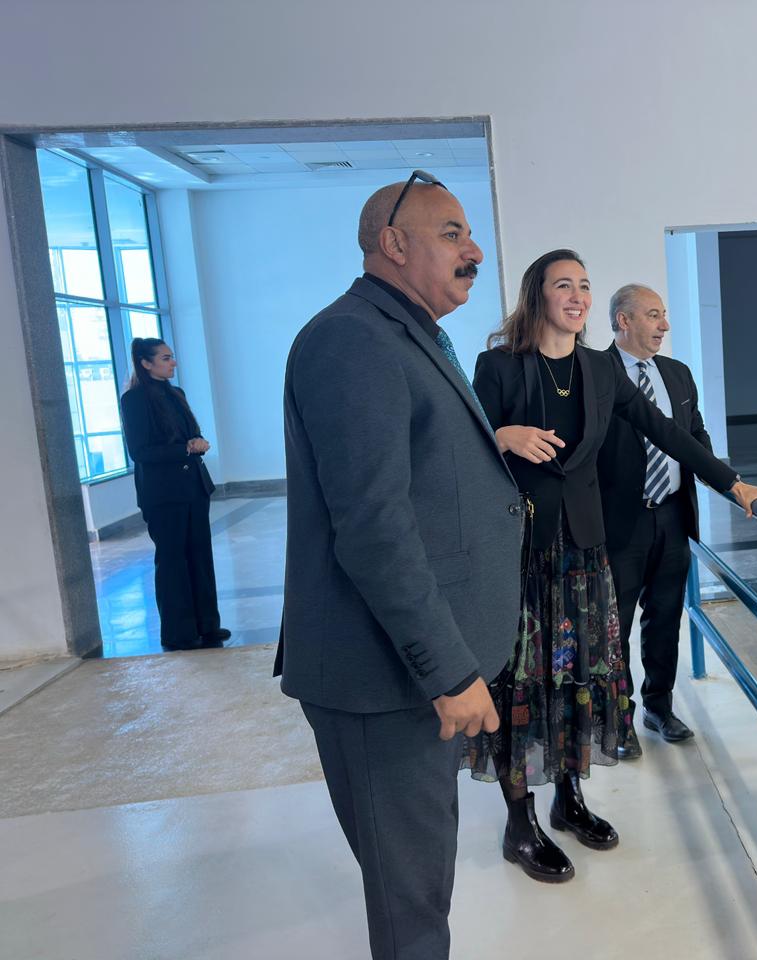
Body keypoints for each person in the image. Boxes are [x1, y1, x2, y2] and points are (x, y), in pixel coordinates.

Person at [465, 249, 757, 884]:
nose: (577, 295)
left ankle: (569, 797)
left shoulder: (600, 370)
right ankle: (519, 821)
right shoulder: (498, 366)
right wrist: (501, 436)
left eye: (584, 285)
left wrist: (733, 484)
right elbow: (458, 446)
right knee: (521, 681)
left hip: (584, 552)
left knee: (579, 675)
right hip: (521, 553)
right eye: (563, 285)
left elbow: (668, 431)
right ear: (537, 294)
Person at [277, 172, 523, 959]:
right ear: (392, 243)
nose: (473, 250)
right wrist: (447, 669)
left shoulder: (407, 334)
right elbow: (373, 526)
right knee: (409, 902)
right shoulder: (353, 341)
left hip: (406, 675)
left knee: (421, 882)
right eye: (451, 233)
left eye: (469, 234)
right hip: (381, 679)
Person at [598, 284, 710, 759]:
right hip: (618, 524)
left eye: (663, 314)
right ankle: (617, 719)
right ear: (623, 321)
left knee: (664, 619)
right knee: (615, 626)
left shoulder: (678, 374)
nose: (664, 325)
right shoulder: (596, 374)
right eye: (652, 315)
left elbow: (695, 435)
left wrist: (729, 482)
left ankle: (658, 707)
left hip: (672, 516)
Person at [119, 338, 229, 651]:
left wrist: (198, 441)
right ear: (146, 363)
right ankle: (179, 633)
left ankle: (207, 625)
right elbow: (140, 452)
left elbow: (188, 435)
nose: (173, 363)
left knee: (200, 556)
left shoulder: (175, 393)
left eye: (172, 357)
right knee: (172, 561)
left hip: (193, 487)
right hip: (163, 493)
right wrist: (185, 449)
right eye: (166, 358)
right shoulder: (134, 400)